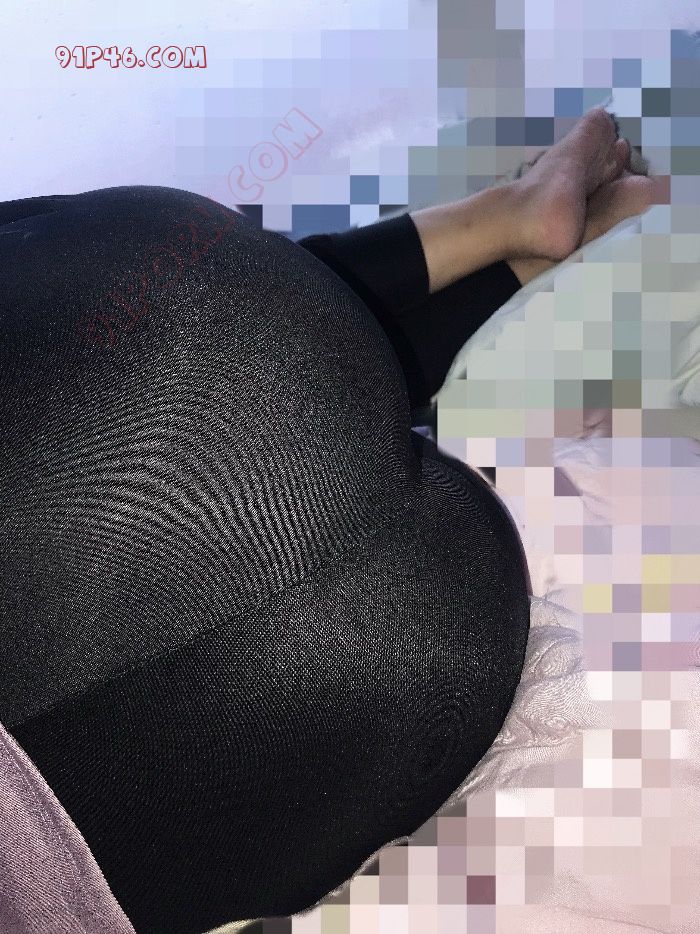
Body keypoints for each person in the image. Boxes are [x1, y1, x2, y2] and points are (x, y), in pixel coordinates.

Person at [0, 107, 665, 934]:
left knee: (258, 391)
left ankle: (525, 237)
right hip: (174, 302)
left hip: (379, 663)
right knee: (215, 347)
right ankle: (511, 222)